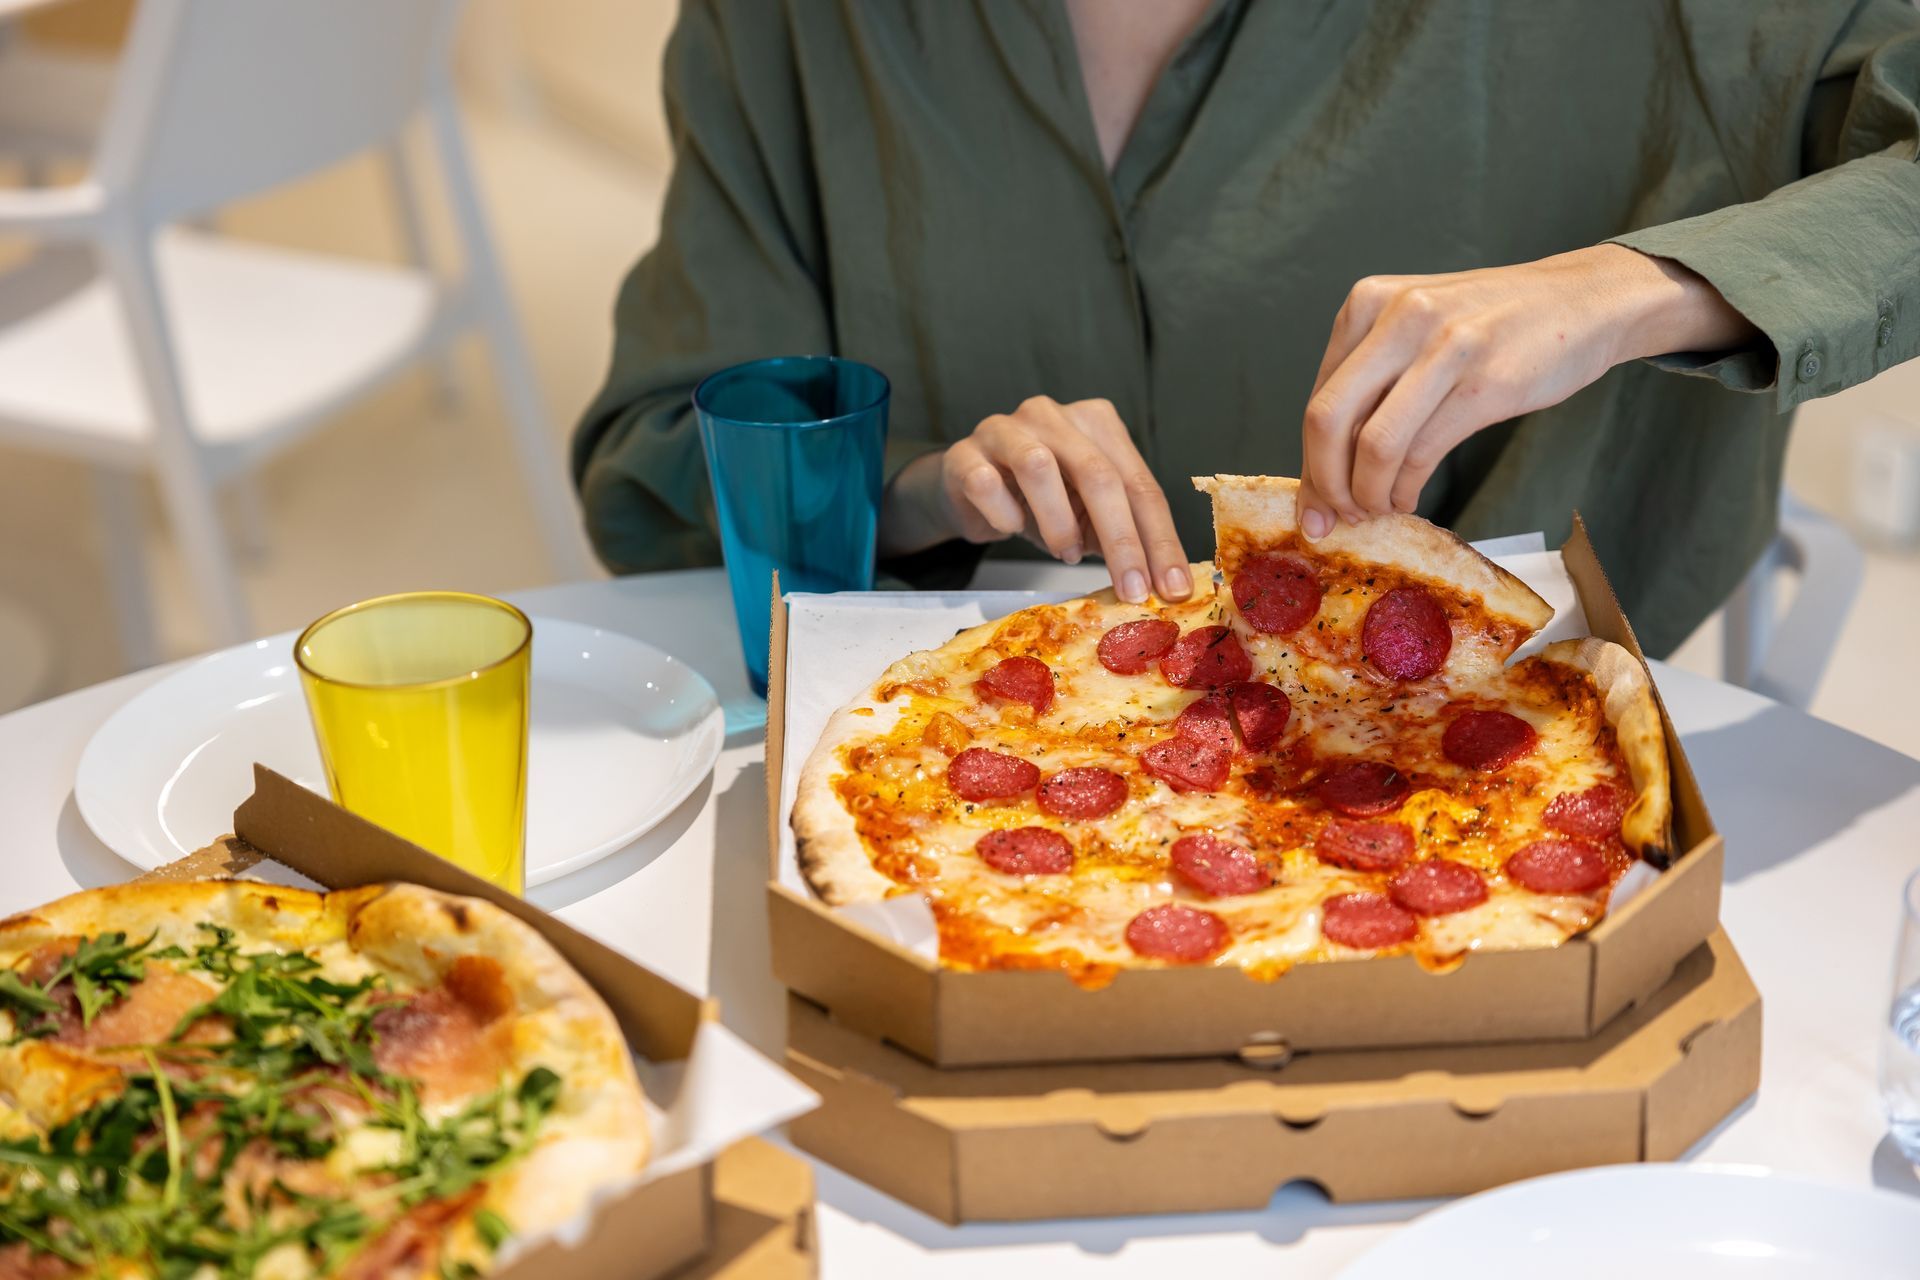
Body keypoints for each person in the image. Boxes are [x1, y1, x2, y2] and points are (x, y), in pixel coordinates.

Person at [574, 0, 1920, 657]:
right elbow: (664, 465)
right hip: (952, 830)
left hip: (1489, 789)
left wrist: (1632, 288)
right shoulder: (788, 24)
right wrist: (916, 491)